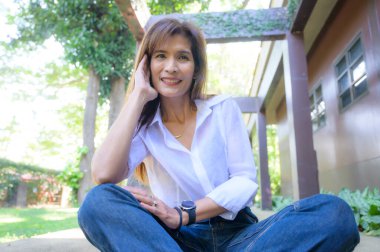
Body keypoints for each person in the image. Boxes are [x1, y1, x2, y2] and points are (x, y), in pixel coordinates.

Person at [78, 18, 360, 251]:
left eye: (183, 57)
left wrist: (183, 213)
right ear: (146, 65)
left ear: (196, 68)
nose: (171, 67)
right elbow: (103, 175)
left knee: (334, 213)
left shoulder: (222, 109)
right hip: (174, 242)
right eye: (161, 56)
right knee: (97, 202)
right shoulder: (144, 127)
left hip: (241, 237)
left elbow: (244, 179)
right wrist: (138, 95)